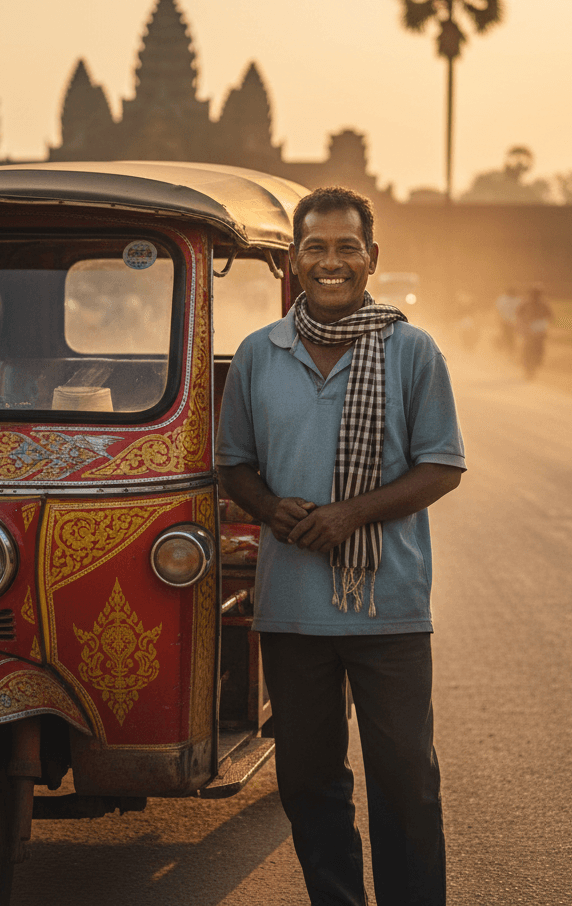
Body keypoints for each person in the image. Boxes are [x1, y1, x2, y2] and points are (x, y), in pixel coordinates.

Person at [217, 186, 465, 906]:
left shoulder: (412, 350)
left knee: (407, 784)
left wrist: (350, 515)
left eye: (346, 247)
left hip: (388, 606)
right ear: (293, 260)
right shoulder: (261, 355)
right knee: (308, 782)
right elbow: (233, 463)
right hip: (293, 610)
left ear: (372, 258)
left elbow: (442, 465)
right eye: (316, 248)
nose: (331, 262)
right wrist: (269, 507)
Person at [515, 284, 552, 379]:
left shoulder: (543, 304)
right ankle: (527, 364)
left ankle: (535, 363)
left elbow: (550, 316)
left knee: (538, 348)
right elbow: (518, 314)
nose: (535, 296)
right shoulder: (526, 303)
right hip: (529, 329)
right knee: (528, 348)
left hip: (538, 330)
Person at [495, 287, 521, 354]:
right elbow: (498, 310)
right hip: (506, 321)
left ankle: (509, 350)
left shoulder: (516, 300)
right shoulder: (502, 299)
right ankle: (507, 349)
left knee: (510, 336)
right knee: (507, 335)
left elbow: (519, 311)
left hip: (511, 322)